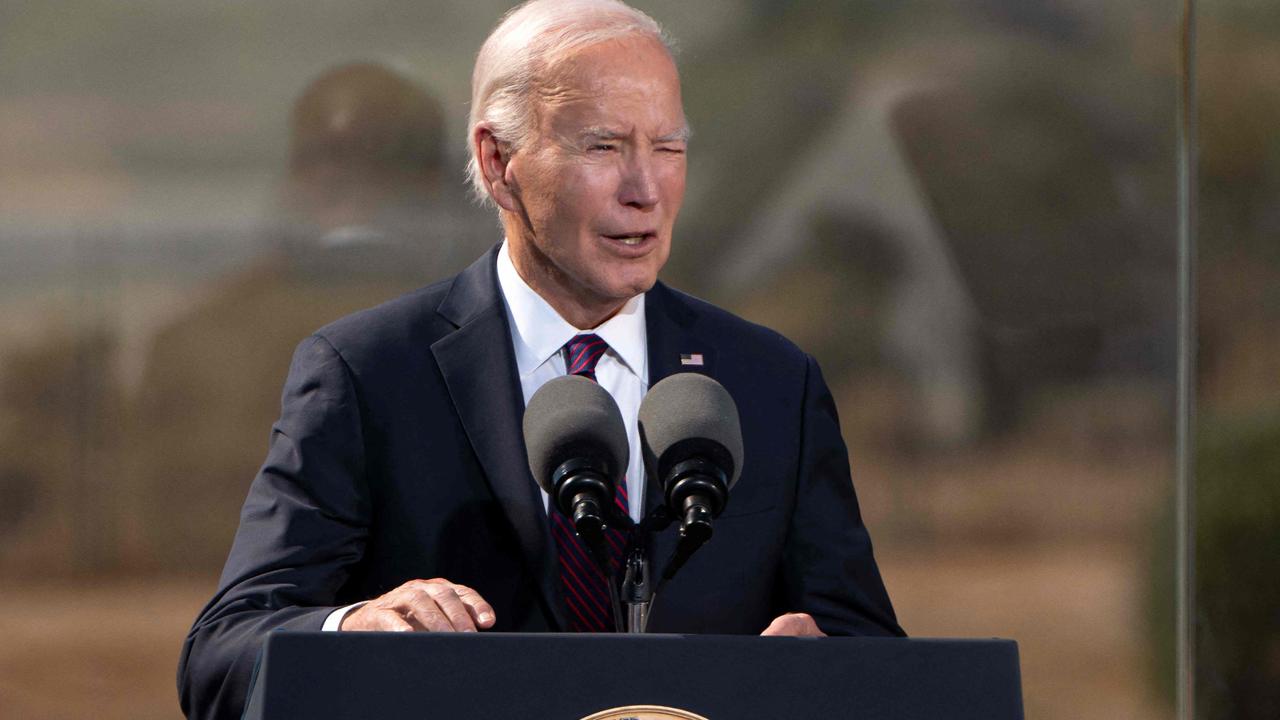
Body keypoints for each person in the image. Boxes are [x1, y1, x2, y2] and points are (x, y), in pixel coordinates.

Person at [178, 2, 903, 718]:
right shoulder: (366, 373)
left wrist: (832, 666)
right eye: (604, 147)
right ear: (499, 163)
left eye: (669, 148)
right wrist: (356, 629)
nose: (645, 190)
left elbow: (878, 657)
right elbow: (222, 655)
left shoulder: (770, 381)